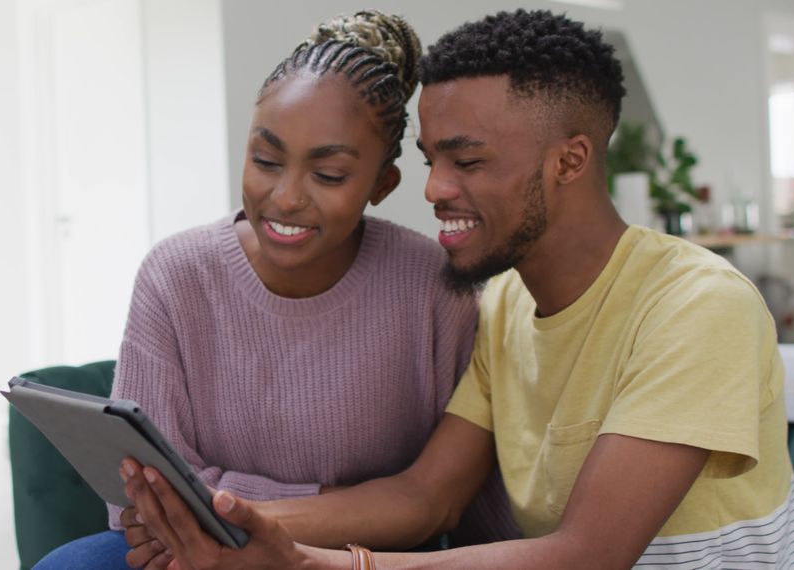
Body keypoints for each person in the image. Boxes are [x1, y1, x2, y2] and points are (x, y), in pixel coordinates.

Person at [122, 9, 794, 569]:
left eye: (469, 161)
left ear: (570, 160)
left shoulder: (697, 305)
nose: (433, 190)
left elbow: (588, 555)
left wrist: (316, 564)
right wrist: (229, 522)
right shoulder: (506, 307)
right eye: (431, 160)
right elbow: (426, 493)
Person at [34, 10, 518, 570]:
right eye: (265, 160)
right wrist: (346, 503)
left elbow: (441, 500)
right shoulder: (175, 274)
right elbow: (144, 502)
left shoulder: (436, 285)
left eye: (329, 175)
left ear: (382, 185)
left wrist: (235, 511)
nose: (286, 197)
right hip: (198, 548)